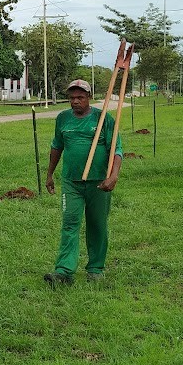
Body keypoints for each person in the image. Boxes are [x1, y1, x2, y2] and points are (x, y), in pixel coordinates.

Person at [44, 79, 123, 288]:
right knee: (70, 223)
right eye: (72, 98)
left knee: (97, 225)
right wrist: (50, 174)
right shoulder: (63, 118)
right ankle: (64, 271)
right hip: (72, 182)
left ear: (89, 97)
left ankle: (95, 269)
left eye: (80, 97)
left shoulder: (103, 118)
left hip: (99, 182)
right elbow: (57, 146)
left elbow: (116, 150)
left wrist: (113, 176)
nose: (75, 101)